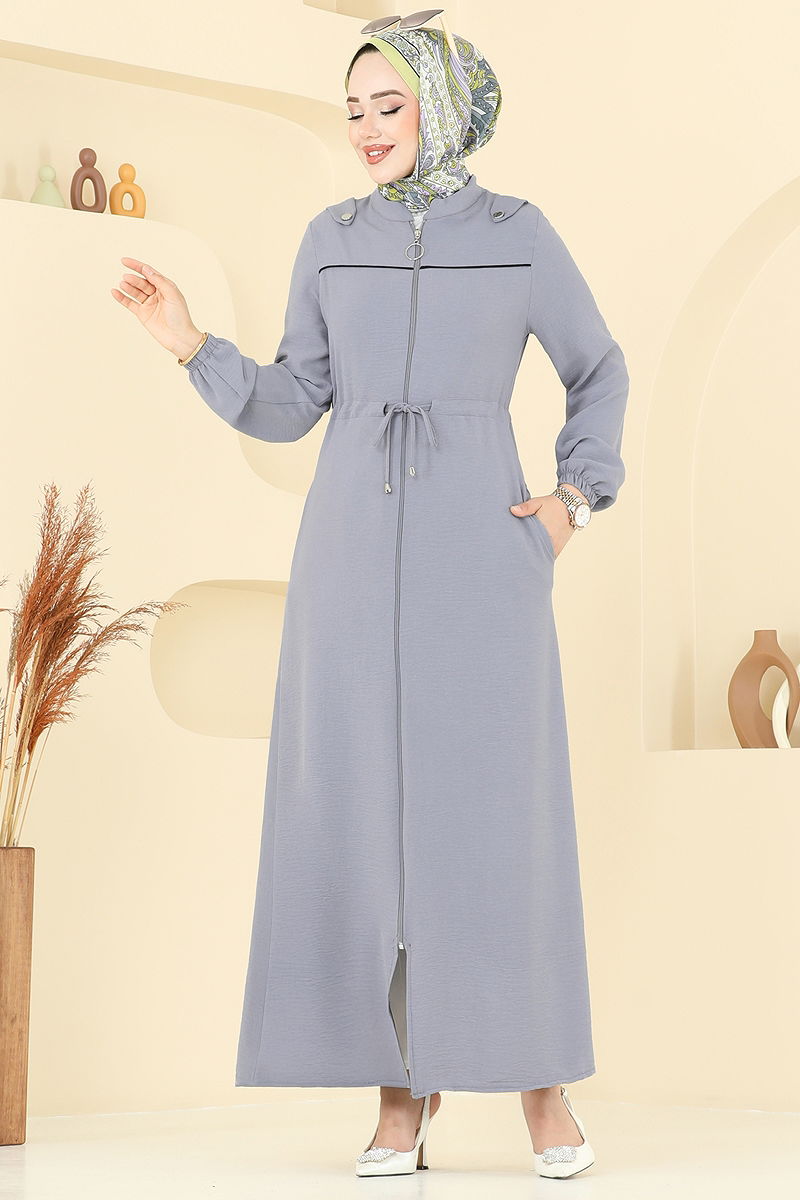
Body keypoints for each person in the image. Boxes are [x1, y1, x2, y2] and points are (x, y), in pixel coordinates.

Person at [111, 14, 628, 1181]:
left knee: (496, 817)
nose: (364, 129)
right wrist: (191, 344)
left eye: (386, 106)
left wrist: (572, 501)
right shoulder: (329, 241)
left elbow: (597, 370)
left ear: (440, 107)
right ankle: (401, 1093)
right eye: (351, 110)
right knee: (356, 817)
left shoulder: (518, 235)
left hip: (482, 554)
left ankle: (541, 1086)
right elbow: (293, 400)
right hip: (347, 554)